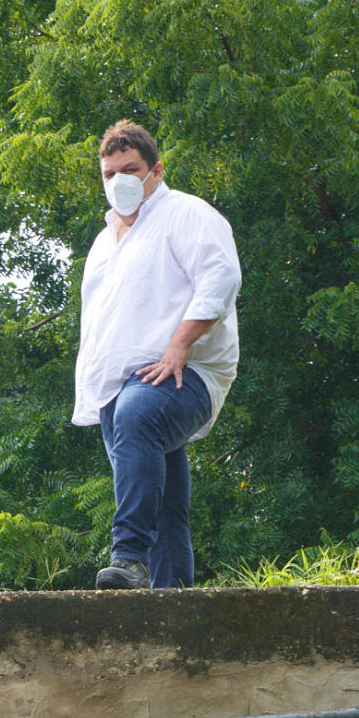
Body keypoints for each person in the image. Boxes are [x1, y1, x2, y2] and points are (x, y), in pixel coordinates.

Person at [73, 119, 241, 591]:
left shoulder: (186, 213)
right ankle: (174, 599)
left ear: (157, 170)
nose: (119, 181)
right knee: (165, 505)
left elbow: (221, 278)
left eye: (131, 169)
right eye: (109, 174)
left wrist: (178, 346)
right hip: (118, 384)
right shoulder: (104, 242)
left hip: (186, 371)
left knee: (138, 415)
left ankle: (127, 557)